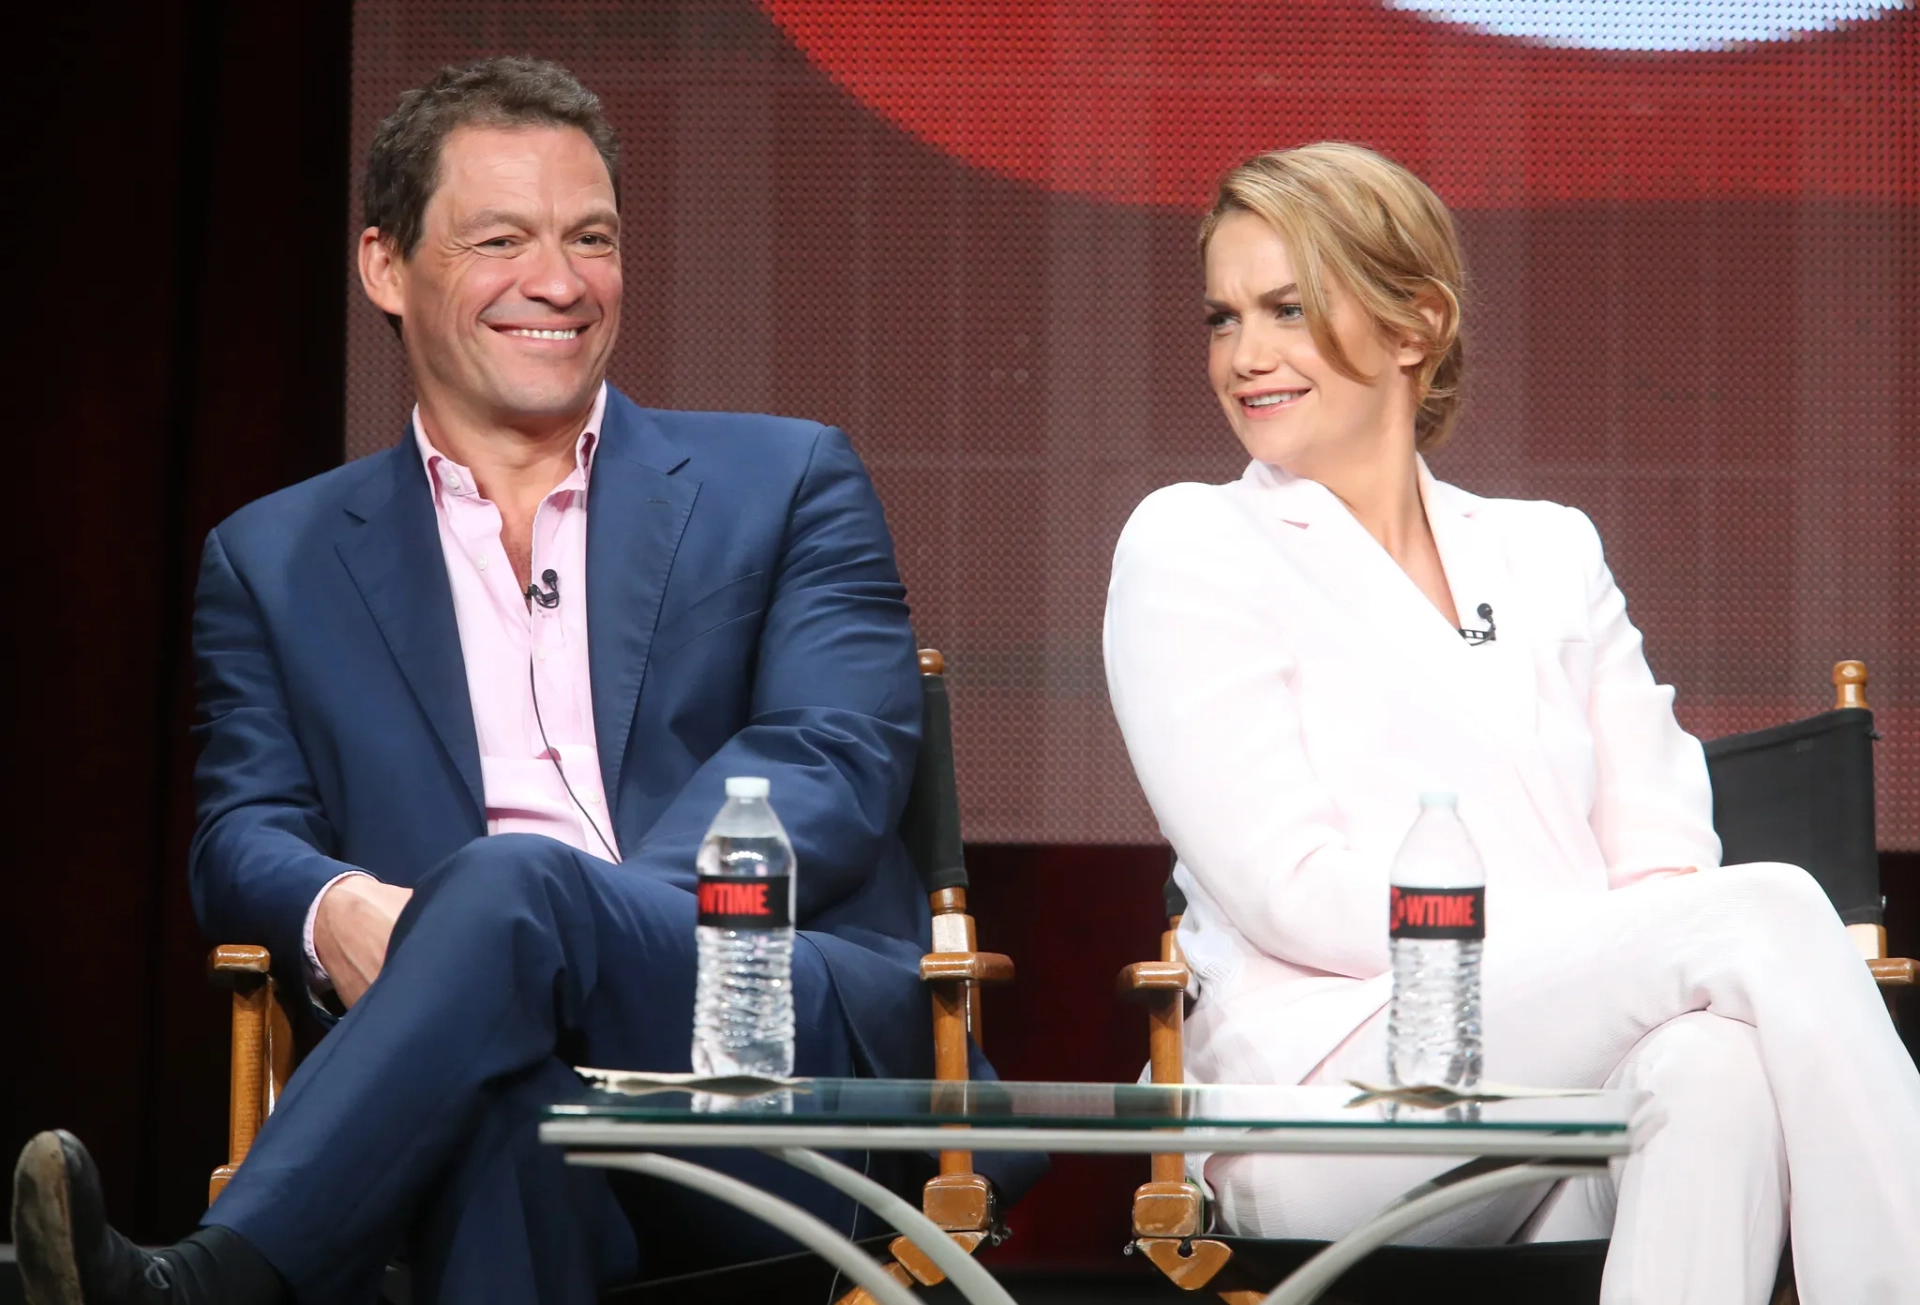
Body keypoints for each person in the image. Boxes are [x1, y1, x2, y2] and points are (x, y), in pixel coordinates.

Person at [11, 56, 1033, 1305]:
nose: (559, 282)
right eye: (502, 240)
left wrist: (555, 923)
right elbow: (243, 833)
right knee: (505, 1105)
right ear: (385, 267)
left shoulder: (787, 481)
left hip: (776, 1045)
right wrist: (337, 908)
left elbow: (834, 756)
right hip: (477, 1056)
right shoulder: (273, 559)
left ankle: (211, 1286)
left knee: (508, 904)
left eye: (590, 239)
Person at [1102, 142, 1920, 1304]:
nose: (1246, 356)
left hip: (1564, 1083)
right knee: (1769, 910)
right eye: (1223, 318)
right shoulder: (1189, 542)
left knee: (1716, 1066)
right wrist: (1600, 954)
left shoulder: (1547, 547)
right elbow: (1290, 889)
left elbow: (1666, 849)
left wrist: (1612, 969)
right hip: (1329, 1097)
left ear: (1413, 326)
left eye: (1288, 309)